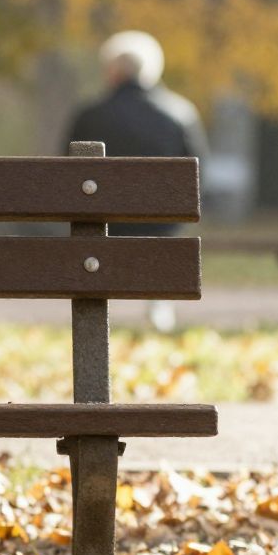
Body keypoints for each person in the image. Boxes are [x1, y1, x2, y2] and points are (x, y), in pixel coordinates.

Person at [64, 30, 208, 331]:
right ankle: (158, 301)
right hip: (161, 229)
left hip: (103, 228)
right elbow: (197, 177)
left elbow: (64, 174)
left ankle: (96, 305)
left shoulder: (89, 116)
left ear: (113, 72)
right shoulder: (180, 114)